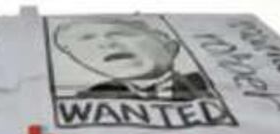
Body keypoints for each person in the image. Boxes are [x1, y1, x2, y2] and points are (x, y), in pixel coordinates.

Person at [53, 18, 211, 101]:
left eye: (120, 34)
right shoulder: (90, 97)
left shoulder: (209, 84)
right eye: (86, 39)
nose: (107, 43)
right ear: (78, 60)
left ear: (169, 46)